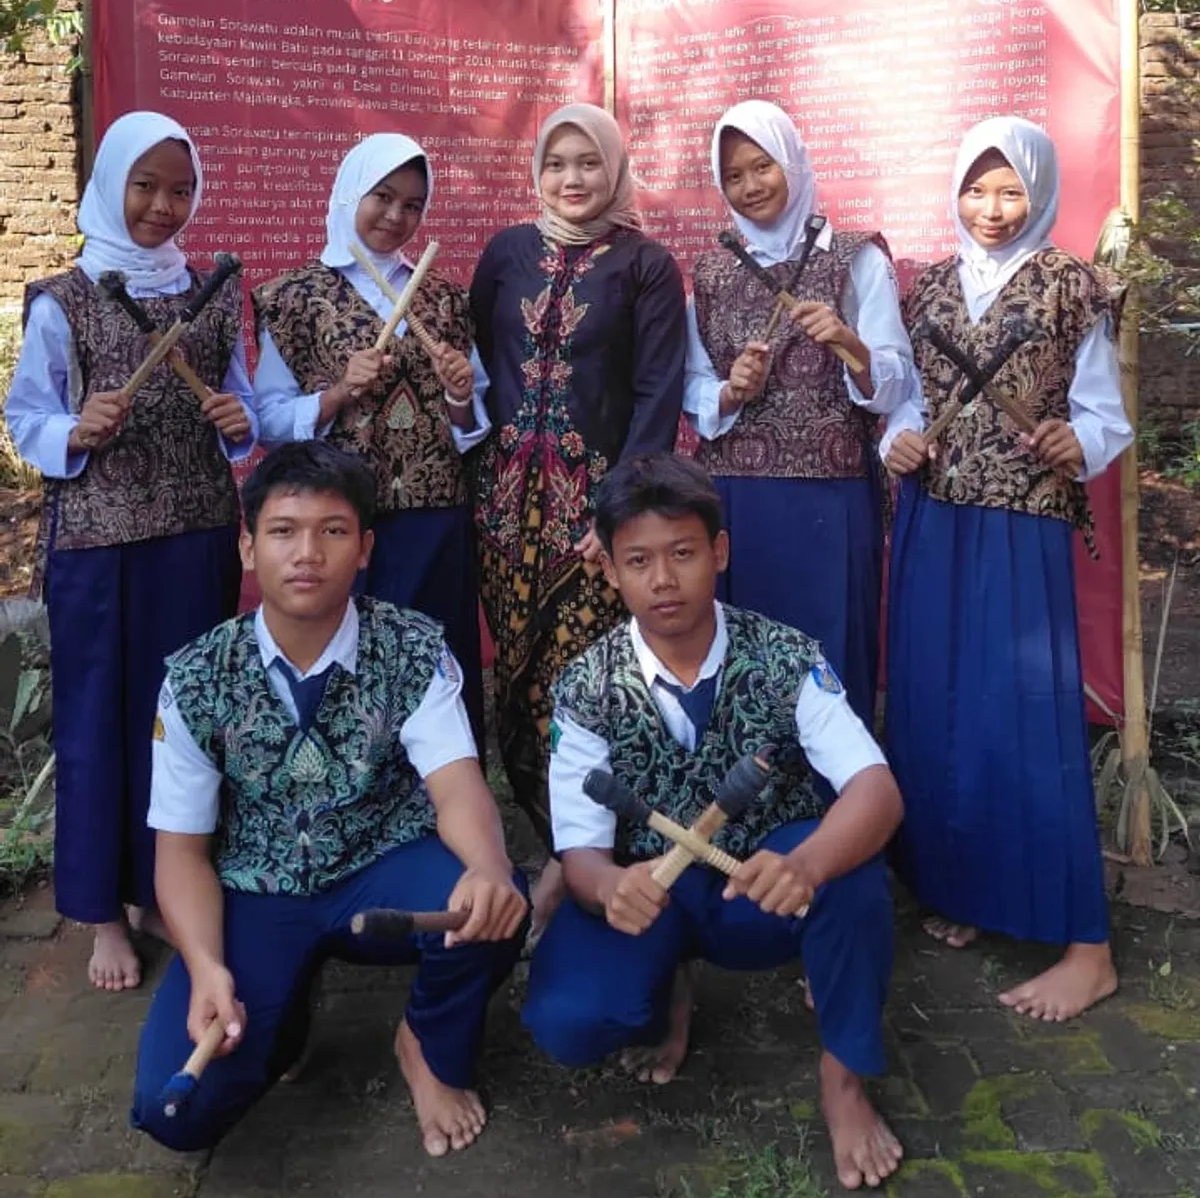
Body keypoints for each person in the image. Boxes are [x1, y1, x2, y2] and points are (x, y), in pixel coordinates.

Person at [130, 441, 528, 1158]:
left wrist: (489, 866)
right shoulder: (194, 678)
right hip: (258, 888)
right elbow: (181, 852)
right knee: (173, 1113)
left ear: (365, 547)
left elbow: (458, 785)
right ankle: (281, 999)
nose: (307, 552)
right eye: (283, 530)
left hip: (384, 869)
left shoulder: (411, 647)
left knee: (493, 906)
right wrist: (206, 963)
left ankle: (426, 1043)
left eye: (332, 530)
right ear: (248, 547)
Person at [523, 453, 904, 1191]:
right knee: (568, 1020)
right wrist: (607, 889)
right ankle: (668, 988)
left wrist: (810, 863)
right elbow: (581, 853)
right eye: (638, 559)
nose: (663, 579)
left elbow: (876, 789)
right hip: (651, 895)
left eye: (684, 553)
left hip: (761, 886)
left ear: (719, 553)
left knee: (853, 876)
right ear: (609, 569)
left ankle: (844, 1077)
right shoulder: (585, 685)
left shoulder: (787, 655)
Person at [883, 116, 1132, 1021]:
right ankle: (974, 891)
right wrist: (897, 438)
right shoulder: (931, 286)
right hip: (932, 515)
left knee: (1026, 717)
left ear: (1040, 191)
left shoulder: (1070, 285)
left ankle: (1087, 945)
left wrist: (1079, 438)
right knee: (938, 711)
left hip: (1020, 527)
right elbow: (907, 395)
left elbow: (1105, 414)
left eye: (1011, 190)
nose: (992, 209)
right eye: (976, 189)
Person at [5, 111, 255, 994]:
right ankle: (101, 909)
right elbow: (25, 415)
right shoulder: (65, 297)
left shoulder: (214, 289)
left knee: (182, 722)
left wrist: (238, 424)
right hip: (100, 549)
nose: (162, 205)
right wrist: (73, 427)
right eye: (144, 186)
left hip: (195, 538)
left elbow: (241, 400)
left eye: (180, 188)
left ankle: (163, 889)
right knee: (98, 723)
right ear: (111, 183)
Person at [470, 104, 687, 857]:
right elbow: (476, 365)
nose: (572, 178)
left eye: (588, 162)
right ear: (537, 170)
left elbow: (659, 392)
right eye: (557, 162)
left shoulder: (647, 265)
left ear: (615, 168)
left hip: (593, 520)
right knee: (517, 677)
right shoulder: (505, 253)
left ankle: (606, 850)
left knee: (587, 685)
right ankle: (548, 842)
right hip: (502, 515)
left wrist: (620, 511)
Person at [253, 133, 488, 744]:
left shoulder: (443, 296)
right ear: (351, 192)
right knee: (347, 668)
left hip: (432, 518)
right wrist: (336, 393)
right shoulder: (293, 296)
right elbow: (267, 417)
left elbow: (470, 422)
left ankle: (444, 810)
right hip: (337, 520)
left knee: (436, 664)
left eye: (413, 205)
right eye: (382, 197)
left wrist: (460, 394)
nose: (396, 217)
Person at [684, 101, 914, 722]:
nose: (751, 186)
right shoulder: (709, 270)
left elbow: (895, 382)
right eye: (733, 176)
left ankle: (847, 812)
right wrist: (731, 390)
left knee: (829, 660)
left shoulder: (857, 257)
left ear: (791, 161)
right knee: (745, 664)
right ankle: (748, 814)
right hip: (738, 502)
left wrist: (850, 343)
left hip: (831, 500)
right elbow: (693, 384)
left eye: (763, 166)